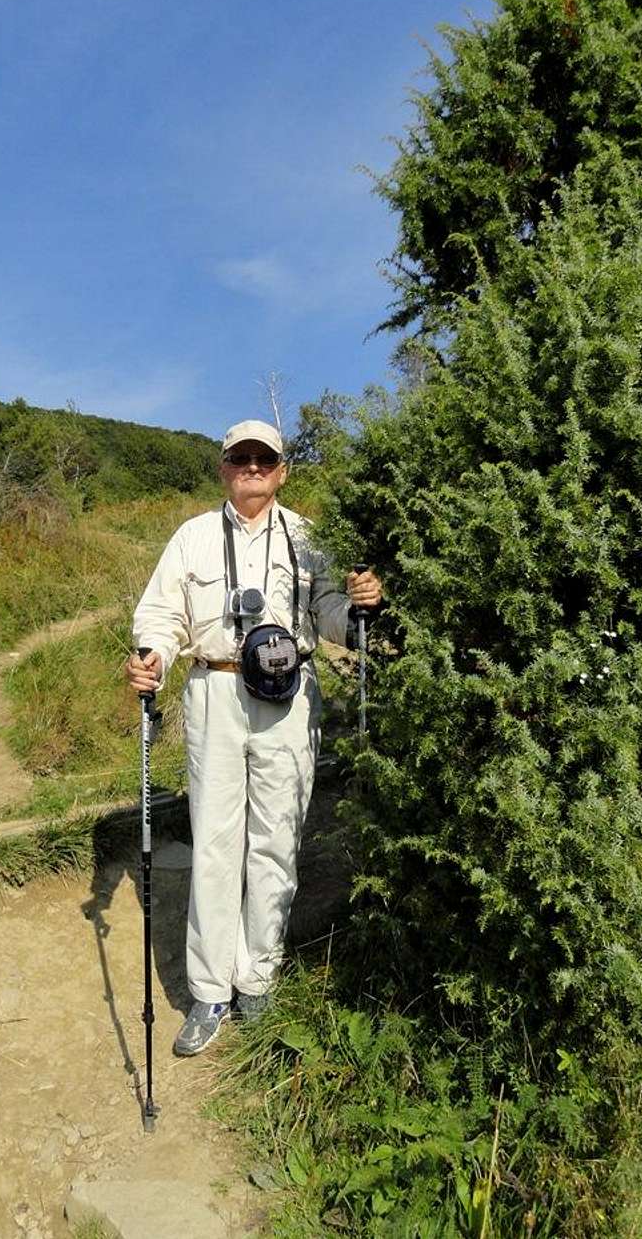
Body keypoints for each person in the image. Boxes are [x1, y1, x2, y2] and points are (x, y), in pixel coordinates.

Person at [125, 419, 382, 1056]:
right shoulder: (191, 539)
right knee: (214, 843)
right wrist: (152, 655)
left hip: (290, 697)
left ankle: (258, 976)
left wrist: (362, 610)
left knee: (277, 839)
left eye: (263, 459)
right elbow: (162, 615)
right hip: (214, 691)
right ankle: (209, 992)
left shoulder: (306, 537)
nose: (252, 468)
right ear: (223, 468)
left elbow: (328, 612)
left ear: (282, 470)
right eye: (239, 458)